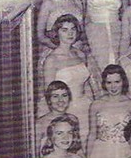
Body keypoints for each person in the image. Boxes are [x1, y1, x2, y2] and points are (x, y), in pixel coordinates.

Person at [40, 14, 101, 145]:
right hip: (65, 109)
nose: (70, 33)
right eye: (65, 30)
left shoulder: (79, 53)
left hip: (85, 106)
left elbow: (87, 85)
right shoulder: (52, 60)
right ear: (57, 33)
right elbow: (49, 94)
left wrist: (95, 105)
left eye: (73, 29)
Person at [35, 80, 74, 148]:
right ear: (49, 100)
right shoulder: (40, 123)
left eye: (64, 95)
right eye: (55, 96)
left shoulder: (73, 119)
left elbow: (77, 148)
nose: (60, 100)